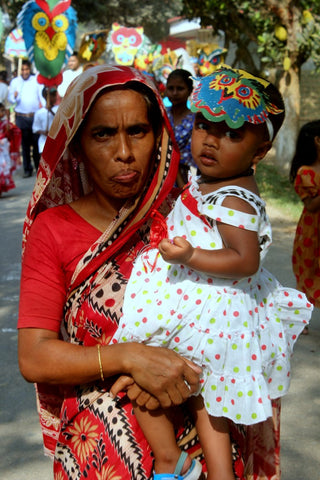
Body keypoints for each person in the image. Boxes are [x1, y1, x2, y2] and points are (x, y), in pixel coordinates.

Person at [112, 66, 313, 480]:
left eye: (232, 134)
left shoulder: (235, 198)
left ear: (260, 153)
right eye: (206, 125)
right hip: (204, 301)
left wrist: (189, 256)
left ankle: (183, 462)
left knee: (207, 404)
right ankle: (178, 460)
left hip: (216, 314)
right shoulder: (209, 181)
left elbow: (244, 260)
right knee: (195, 398)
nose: (212, 140)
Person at [18, 64, 204, 480]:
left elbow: (237, 322)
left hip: (196, 437)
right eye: (103, 134)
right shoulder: (53, 230)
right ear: (78, 145)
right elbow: (34, 356)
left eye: (138, 130)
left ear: (159, 137)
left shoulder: (189, 220)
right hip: (97, 452)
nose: (124, 151)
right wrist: (130, 358)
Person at [290, 120, 320, 331]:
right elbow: (310, 205)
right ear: (318, 141)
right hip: (312, 230)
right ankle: (302, 315)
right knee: (308, 270)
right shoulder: (306, 172)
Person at [7, 59, 43, 177]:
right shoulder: (15, 82)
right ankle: (27, 169)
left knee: (36, 144)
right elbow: (11, 100)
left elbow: (40, 98)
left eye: (26, 69)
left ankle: (38, 168)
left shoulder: (36, 81)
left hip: (34, 116)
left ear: (30, 69)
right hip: (21, 117)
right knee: (25, 145)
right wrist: (14, 96)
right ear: (19, 70)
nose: (25, 72)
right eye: (22, 69)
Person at [165, 69, 196, 187]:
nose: (175, 93)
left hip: (185, 178)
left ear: (190, 90)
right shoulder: (161, 115)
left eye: (180, 88)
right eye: (171, 88)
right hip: (158, 176)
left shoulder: (195, 120)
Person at [32, 87, 58, 154]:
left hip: (57, 142)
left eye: (55, 95)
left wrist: (51, 111)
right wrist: (44, 132)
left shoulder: (59, 109)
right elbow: (35, 128)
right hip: (44, 143)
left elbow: (62, 120)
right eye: (52, 95)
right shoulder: (39, 112)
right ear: (45, 96)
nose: (55, 97)